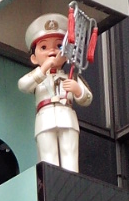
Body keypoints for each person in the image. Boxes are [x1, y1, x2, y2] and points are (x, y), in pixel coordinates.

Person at [17, 13, 93, 173]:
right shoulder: (38, 77)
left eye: (59, 46)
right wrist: (44, 68)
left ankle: (71, 182)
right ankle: (51, 181)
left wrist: (77, 90)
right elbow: (23, 85)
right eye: (44, 47)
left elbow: (87, 98)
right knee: (48, 156)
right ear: (34, 58)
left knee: (69, 156)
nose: (51, 51)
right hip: (45, 119)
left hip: (67, 117)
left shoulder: (71, 76)